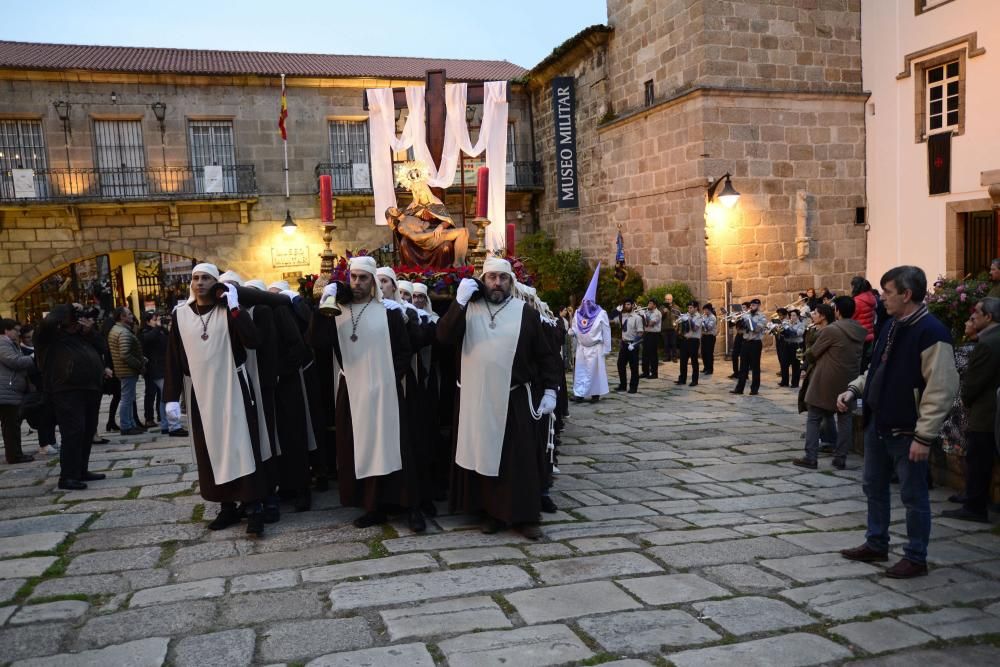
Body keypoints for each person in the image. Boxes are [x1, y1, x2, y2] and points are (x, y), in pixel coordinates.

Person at [837, 265, 959, 579]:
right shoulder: (891, 325)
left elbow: (941, 388)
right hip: (879, 423)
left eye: (888, 292)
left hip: (907, 431)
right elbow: (878, 369)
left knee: (913, 495)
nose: (882, 298)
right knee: (873, 486)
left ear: (906, 294)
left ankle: (916, 556)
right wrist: (854, 390)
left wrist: (924, 436)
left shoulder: (932, 332)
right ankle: (876, 542)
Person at [437, 257, 561, 539]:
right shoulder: (468, 308)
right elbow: (443, 338)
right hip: (478, 396)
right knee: (483, 456)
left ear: (511, 282)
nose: (497, 283)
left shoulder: (525, 313)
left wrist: (551, 390)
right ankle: (491, 513)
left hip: (514, 398)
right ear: (483, 279)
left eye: (503, 278)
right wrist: (458, 303)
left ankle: (524, 516)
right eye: (491, 277)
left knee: (518, 460)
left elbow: (545, 356)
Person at [308, 256, 422, 531]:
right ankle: (373, 506)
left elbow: (404, 351)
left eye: (363, 278)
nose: (357, 283)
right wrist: (323, 304)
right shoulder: (337, 311)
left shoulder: (390, 312)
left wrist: (388, 379)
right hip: (352, 390)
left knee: (396, 446)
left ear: (373, 282)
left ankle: (408, 505)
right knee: (360, 446)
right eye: (353, 277)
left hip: (386, 390)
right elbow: (316, 343)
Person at [164, 263, 268, 536]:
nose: (199, 283)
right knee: (211, 449)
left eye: (206, 278)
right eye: (196, 278)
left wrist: (235, 308)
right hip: (202, 392)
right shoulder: (180, 315)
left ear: (215, 283)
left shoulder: (229, 310)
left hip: (234, 386)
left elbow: (254, 340)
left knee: (242, 445)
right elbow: (174, 358)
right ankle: (226, 507)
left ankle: (254, 507)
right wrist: (171, 397)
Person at [35, 305, 108, 489]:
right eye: (75, 317)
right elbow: (47, 323)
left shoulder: (83, 335)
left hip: (90, 388)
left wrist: (89, 331)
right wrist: (68, 308)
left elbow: (103, 347)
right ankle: (67, 476)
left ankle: (81, 470)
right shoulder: (50, 338)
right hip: (66, 389)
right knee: (73, 432)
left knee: (87, 430)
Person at [942, 297, 1000, 523]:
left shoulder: (987, 344)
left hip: (984, 412)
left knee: (978, 460)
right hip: (991, 409)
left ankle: (975, 506)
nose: (973, 316)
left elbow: (973, 384)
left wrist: (966, 400)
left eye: (977, 311)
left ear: (989, 316)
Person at [793, 296, 866, 470]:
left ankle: (811, 457)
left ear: (837, 311)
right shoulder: (860, 330)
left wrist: (807, 355)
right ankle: (840, 457)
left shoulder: (832, 330)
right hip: (850, 379)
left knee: (814, 416)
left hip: (826, 379)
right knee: (845, 417)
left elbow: (812, 354)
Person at [140, 312, 186, 437]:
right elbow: (148, 339)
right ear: (148, 321)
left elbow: (169, 340)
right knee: (168, 395)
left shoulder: (159, 331)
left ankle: (166, 425)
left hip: (162, 367)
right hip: (155, 369)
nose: (158, 321)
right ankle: (173, 426)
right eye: (155, 319)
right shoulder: (145, 331)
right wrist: (157, 327)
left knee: (163, 397)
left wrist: (168, 326)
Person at [570, 265, 611, 403]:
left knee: (595, 372)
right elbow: (575, 327)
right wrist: (572, 332)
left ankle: (595, 394)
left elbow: (606, 331)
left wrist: (607, 348)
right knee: (581, 371)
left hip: (595, 347)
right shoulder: (578, 313)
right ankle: (579, 394)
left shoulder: (601, 314)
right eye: (584, 302)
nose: (586, 305)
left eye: (589, 302)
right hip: (582, 347)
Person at [19, 326, 59, 457]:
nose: (30, 340)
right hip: (35, 388)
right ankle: (44, 443)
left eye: (32, 337)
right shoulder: (23, 351)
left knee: (51, 415)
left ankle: (51, 441)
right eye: (28, 337)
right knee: (42, 415)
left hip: (47, 386)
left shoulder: (40, 348)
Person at [107, 307, 147, 436]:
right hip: (127, 370)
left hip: (123, 369)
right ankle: (126, 425)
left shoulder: (117, 330)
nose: (131, 316)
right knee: (127, 399)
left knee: (128, 398)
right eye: (129, 314)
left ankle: (130, 424)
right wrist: (139, 363)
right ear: (122, 317)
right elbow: (125, 354)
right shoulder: (123, 332)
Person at [0, 319, 35, 464]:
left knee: (12, 425)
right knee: (11, 426)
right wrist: (33, 357)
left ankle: (15, 454)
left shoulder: (10, 343)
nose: (19, 332)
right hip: (6, 391)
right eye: (16, 329)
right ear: (6, 330)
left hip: (10, 390)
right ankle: (14, 456)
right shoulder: (2, 343)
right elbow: (15, 362)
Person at [731, 298, 768, 395]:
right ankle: (739, 388)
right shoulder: (746, 315)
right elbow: (740, 330)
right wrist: (738, 321)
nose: (751, 307)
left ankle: (754, 389)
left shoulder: (762, 317)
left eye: (754, 306)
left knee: (755, 367)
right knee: (743, 366)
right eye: (751, 305)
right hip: (745, 342)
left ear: (759, 306)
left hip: (755, 343)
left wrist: (748, 320)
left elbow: (757, 329)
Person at [614, 298, 644, 394]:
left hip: (633, 344)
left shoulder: (637, 318)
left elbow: (640, 332)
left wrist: (634, 343)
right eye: (625, 304)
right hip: (624, 344)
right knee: (620, 364)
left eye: (628, 304)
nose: (627, 306)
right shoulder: (622, 316)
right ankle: (623, 385)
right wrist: (615, 311)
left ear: (632, 305)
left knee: (633, 367)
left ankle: (633, 387)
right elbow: (610, 321)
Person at [851, 277, 877, 372]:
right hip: (869, 334)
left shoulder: (857, 301)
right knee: (864, 361)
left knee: (858, 363)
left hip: (858, 335)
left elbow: (851, 317)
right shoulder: (871, 298)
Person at [676, 300, 703, 387]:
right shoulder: (686, 315)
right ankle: (682, 379)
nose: (689, 309)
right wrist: (678, 321)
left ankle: (695, 380)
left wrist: (689, 320)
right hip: (685, 340)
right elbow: (677, 324)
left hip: (693, 341)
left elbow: (695, 328)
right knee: (683, 361)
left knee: (694, 361)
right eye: (688, 308)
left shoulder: (699, 317)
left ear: (696, 308)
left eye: (691, 308)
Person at [780, 309, 806, 388]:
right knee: (784, 363)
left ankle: (795, 383)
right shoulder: (787, 323)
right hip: (787, 345)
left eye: (794, 315)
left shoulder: (801, 324)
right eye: (791, 315)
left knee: (796, 365)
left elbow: (798, 333)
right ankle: (784, 381)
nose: (792, 317)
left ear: (798, 316)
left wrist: (789, 328)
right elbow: (783, 333)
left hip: (797, 346)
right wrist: (782, 329)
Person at [640, 299, 662, 378]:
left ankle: (654, 373)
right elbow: (643, 323)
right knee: (645, 353)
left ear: (655, 305)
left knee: (653, 354)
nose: (648, 305)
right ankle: (645, 372)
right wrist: (640, 315)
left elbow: (650, 324)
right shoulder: (647, 312)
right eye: (648, 303)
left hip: (654, 334)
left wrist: (643, 315)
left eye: (650, 303)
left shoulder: (657, 313)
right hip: (646, 334)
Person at [728, 302, 750, 379]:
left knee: (744, 357)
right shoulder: (739, 315)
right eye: (742, 307)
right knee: (734, 355)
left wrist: (741, 317)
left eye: (744, 308)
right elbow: (730, 325)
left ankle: (744, 374)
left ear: (748, 308)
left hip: (745, 336)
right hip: (738, 336)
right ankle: (736, 372)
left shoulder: (748, 316)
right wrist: (733, 318)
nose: (742, 309)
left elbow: (745, 326)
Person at [661, 294, 679, 363]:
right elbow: (658, 317)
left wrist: (678, 328)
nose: (668, 301)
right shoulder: (662, 307)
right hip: (664, 328)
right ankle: (666, 357)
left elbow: (679, 318)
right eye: (666, 299)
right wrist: (663, 312)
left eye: (669, 299)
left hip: (673, 328)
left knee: (674, 343)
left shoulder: (676, 307)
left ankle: (674, 357)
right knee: (666, 344)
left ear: (672, 299)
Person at [701, 303, 717, 375]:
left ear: (709, 310)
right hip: (704, 336)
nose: (704, 311)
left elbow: (708, 328)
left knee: (709, 353)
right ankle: (705, 367)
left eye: (705, 310)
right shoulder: (704, 316)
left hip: (710, 337)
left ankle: (710, 369)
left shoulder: (712, 317)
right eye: (704, 310)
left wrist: (702, 323)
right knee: (703, 353)